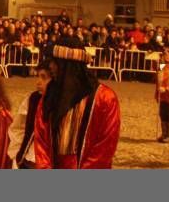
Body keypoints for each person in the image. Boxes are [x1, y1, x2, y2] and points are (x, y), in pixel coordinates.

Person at [34, 41, 121, 169]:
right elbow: (41, 139)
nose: (50, 66)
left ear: (67, 65)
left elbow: (105, 145)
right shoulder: (50, 96)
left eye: (54, 61)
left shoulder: (105, 98)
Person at [8, 60, 50, 169]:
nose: (38, 82)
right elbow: (19, 127)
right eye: (38, 76)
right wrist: (18, 154)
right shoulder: (33, 99)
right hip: (29, 158)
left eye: (44, 77)